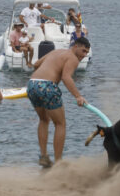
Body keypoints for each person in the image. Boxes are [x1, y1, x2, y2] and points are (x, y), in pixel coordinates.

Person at [27, 37, 90, 167]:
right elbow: (66, 77)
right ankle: (58, 163)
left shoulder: (55, 52)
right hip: (47, 87)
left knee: (44, 120)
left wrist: (44, 75)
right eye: (83, 51)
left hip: (32, 84)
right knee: (60, 124)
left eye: (86, 53)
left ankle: (44, 157)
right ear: (75, 46)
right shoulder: (72, 58)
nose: (84, 55)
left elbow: (36, 64)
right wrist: (78, 96)